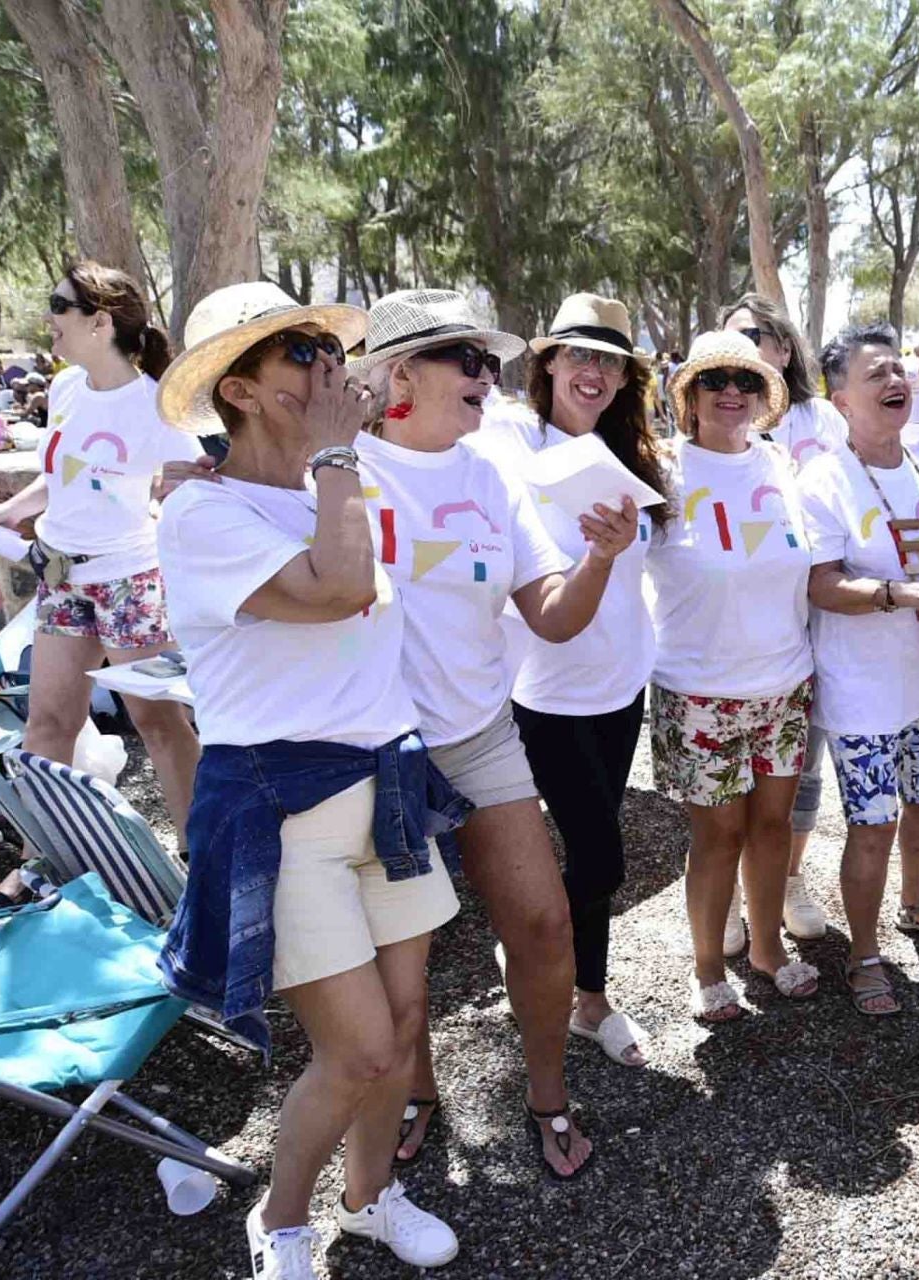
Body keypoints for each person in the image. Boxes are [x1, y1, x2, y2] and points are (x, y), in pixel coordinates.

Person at [154, 282, 463, 1278]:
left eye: (326, 349)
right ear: (239, 391)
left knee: (407, 1024)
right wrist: (336, 456)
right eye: (299, 353)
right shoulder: (203, 510)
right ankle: (283, 1218)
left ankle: (373, 1197)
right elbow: (337, 591)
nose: (327, 366)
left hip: (390, 785)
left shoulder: (342, 479)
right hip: (284, 808)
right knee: (362, 1049)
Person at [352, 290, 635, 1180]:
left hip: (480, 736)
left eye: (490, 361)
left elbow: (550, 617)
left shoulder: (487, 473)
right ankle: (418, 1091)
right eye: (467, 361)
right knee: (402, 958)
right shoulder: (337, 470)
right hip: (372, 750)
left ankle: (547, 1096)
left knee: (546, 923)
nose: (490, 377)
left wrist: (600, 558)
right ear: (401, 374)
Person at [471, 292, 665, 1071]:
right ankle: (580, 994)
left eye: (609, 361)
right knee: (602, 853)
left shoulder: (637, 457)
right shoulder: (506, 438)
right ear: (547, 362)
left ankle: (580, 988)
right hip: (541, 689)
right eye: (579, 354)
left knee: (592, 848)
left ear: (624, 380)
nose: (593, 371)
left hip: (621, 687)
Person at [803, 323, 919, 1015]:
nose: (895, 382)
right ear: (840, 396)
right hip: (862, 687)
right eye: (876, 373)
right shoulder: (824, 477)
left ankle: (916, 905)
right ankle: (863, 952)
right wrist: (900, 595)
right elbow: (820, 583)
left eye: (899, 371)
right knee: (872, 821)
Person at [0, 262, 209, 846]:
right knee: (49, 724)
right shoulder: (64, 387)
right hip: (60, 580)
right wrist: (3, 516)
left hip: (128, 584)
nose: (48, 319)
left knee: (157, 723)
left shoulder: (157, 404)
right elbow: (63, 477)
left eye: (59, 306)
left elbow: (194, 481)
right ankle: (52, 858)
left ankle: (198, 852)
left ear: (99, 321)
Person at [645, 330, 819, 1022]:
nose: (730, 393)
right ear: (687, 395)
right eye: (714, 380)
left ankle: (768, 948)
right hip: (697, 692)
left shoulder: (780, 466)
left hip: (785, 681)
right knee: (717, 836)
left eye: (745, 382)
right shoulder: (658, 471)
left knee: (774, 825)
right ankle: (708, 966)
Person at [717, 292, 844, 943]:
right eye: (730, 339)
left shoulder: (821, 416)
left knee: (801, 767)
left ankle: (789, 880)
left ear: (784, 350)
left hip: (817, 622)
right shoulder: (718, 422)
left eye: (757, 337)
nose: (743, 351)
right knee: (736, 774)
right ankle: (737, 895)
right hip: (744, 627)